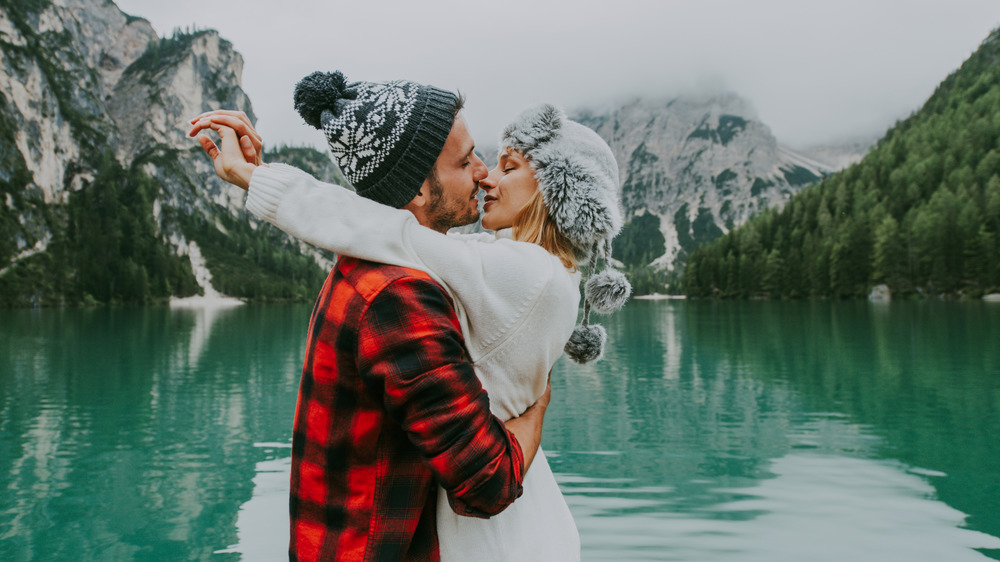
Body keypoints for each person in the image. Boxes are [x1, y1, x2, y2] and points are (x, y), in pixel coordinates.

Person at [191, 71, 631, 561]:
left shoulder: (382, 270)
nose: (484, 173)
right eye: (468, 162)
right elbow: (488, 482)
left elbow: (374, 225)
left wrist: (259, 176)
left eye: (503, 165)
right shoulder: (401, 294)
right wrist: (537, 415)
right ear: (421, 190)